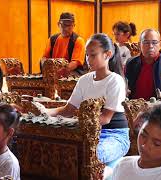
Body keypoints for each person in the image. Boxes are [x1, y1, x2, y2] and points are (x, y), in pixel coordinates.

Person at [46, 33, 129, 168]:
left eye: (93, 55)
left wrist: (74, 123)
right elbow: (68, 110)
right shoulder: (84, 80)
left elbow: (105, 118)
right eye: (87, 55)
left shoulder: (115, 81)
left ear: (107, 54)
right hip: (86, 132)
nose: (88, 59)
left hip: (114, 136)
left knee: (89, 154)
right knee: (59, 150)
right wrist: (44, 112)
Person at [125, 29, 161, 103]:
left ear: (160, 45)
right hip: (134, 109)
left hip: (159, 111)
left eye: (154, 42)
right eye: (146, 42)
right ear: (139, 45)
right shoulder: (130, 63)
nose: (150, 46)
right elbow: (125, 87)